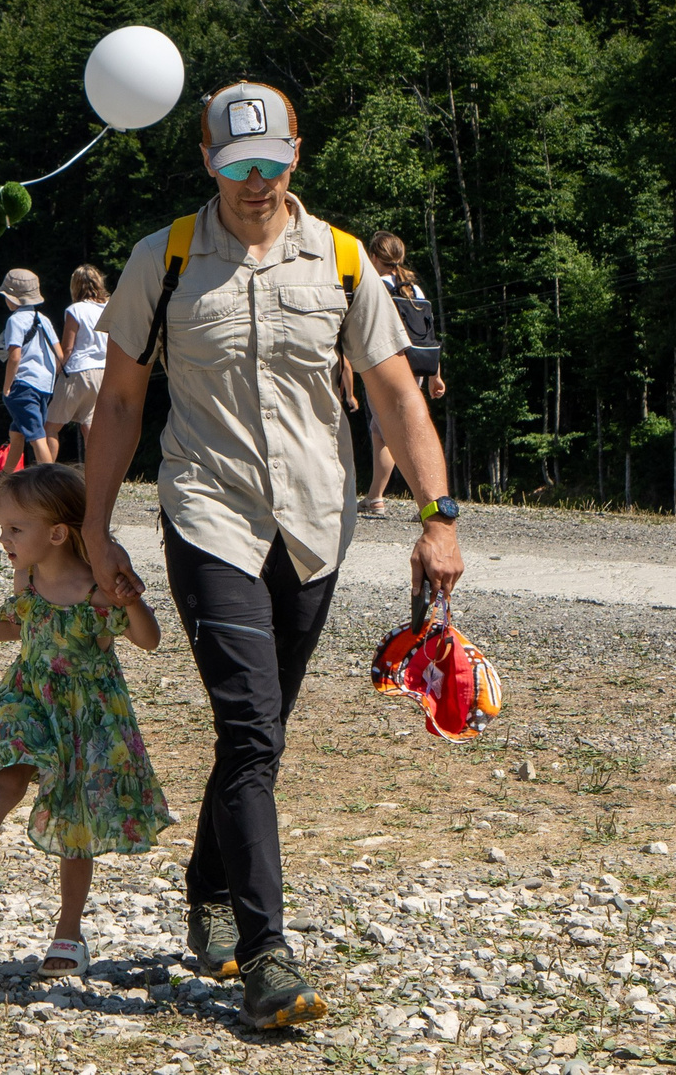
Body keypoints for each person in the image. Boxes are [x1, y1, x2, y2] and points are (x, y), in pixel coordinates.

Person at [77, 81, 462, 1031]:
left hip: (314, 527)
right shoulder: (160, 260)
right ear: (207, 162)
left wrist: (438, 514)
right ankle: (267, 953)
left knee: (262, 733)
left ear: (297, 155)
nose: (256, 182)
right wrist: (95, 526)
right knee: (250, 729)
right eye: (236, 165)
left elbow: (395, 394)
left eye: (272, 164)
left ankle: (209, 880)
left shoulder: (338, 259)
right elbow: (121, 402)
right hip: (208, 517)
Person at [0, 462, 170, 979]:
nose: (3, 538)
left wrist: (134, 600)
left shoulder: (98, 589)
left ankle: (69, 931)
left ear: (58, 533)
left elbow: (149, 641)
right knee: (8, 773)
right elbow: (14, 625)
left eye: (15, 529)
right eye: (2, 527)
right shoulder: (29, 577)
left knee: (75, 823)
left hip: (88, 717)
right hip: (31, 699)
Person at [356, 233, 447, 518]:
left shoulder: (376, 286)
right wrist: (435, 374)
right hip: (417, 366)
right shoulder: (415, 290)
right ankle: (375, 497)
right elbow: (427, 334)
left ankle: (427, 500)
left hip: (386, 365)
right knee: (385, 430)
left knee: (394, 433)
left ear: (373, 257)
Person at [0, 269, 60, 474]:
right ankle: (4, 480)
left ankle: (52, 484)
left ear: (13, 299)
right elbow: (59, 355)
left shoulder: (15, 320)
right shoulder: (44, 319)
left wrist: (7, 386)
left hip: (23, 383)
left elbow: (14, 356)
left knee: (36, 436)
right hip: (44, 385)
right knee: (17, 433)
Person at [43, 265, 111, 456]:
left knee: (51, 427)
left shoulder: (75, 310)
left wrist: (55, 371)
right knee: (90, 427)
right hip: (103, 372)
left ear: (75, 286)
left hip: (79, 371)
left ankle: (46, 475)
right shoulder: (108, 308)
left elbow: (68, 348)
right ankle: (97, 478)